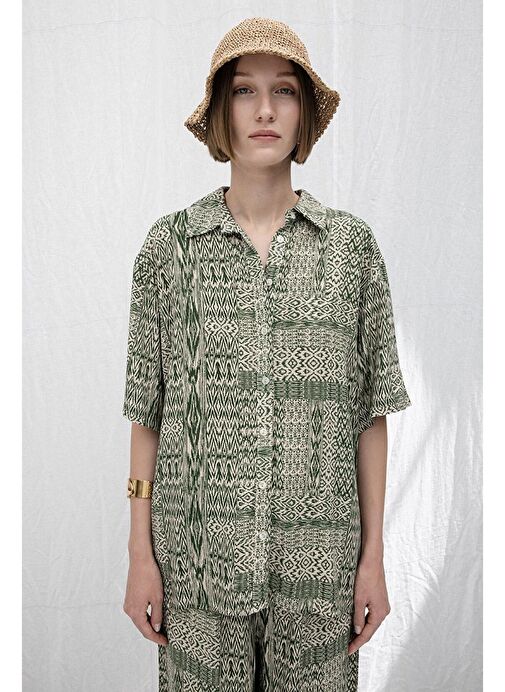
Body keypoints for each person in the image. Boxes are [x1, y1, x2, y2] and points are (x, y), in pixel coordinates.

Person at [121, 16, 412, 692]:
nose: (264, 110)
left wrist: (373, 558)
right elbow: (146, 415)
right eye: (243, 91)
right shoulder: (169, 250)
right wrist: (139, 552)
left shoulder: (351, 250)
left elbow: (370, 416)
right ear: (221, 112)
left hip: (319, 573)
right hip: (196, 570)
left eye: (283, 90)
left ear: (302, 111)